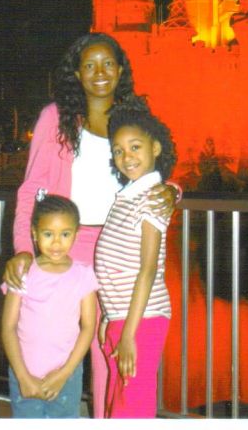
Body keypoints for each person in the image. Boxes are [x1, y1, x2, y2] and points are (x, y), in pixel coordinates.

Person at [2, 32, 180, 418]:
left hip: (122, 253)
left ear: (120, 69)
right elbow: (31, 187)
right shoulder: (55, 118)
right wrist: (23, 249)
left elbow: (155, 167)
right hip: (68, 250)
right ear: (77, 74)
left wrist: (174, 191)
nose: (99, 73)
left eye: (107, 64)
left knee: (112, 358)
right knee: (53, 343)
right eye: (89, 65)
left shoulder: (131, 118)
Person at [95, 97, 176, 418]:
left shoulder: (151, 199)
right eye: (118, 150)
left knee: (133, 409)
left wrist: (128, 334)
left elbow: (147, 270)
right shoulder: (129, 195)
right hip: (122, 317)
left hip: (141, 321)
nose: (126, 157)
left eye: (135, 147)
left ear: (155, 148)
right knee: (120, 403)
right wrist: (108, 317)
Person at [1, 193, 98, 419]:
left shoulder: (83, 275)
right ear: (34, 234)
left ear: (76, 234)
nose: (56, 242)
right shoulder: (22, 272)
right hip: (24, 371)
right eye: (48, 234)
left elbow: (88, 327)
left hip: (67, 375)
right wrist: (23, 376)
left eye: (65, 234)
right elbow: (8, 327)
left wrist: (64, 374)